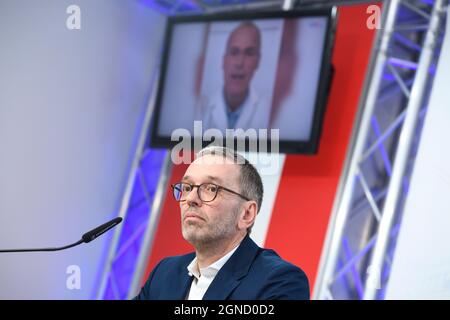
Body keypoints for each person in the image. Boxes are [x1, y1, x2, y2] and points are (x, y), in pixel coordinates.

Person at [134, 146, 309, 300]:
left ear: (246, 214)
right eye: (187, 187)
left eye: (211, 189)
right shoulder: (165, 273)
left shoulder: (279, 281)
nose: (191, 199)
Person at [195, 22, 271, 131]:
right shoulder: (199, 108)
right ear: (223, 61)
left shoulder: (268, 112)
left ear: (258, 61)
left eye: (249, 53)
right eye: (234, 52)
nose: (239, 63)